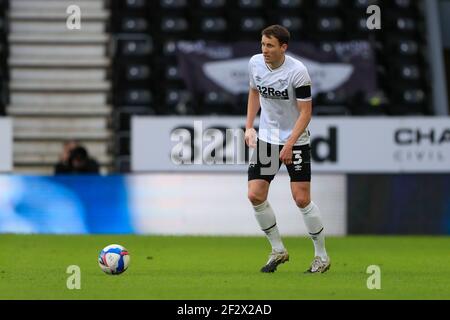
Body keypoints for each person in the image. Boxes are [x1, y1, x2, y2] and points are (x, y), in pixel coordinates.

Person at [245, 25, 331, 273]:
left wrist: (290, 143)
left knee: (302, 199)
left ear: (284, 47)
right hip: (268, 138)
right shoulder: (255, 63)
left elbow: (306, 113)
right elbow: (253, 91)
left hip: (297, 139)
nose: (264, 50)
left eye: (270, 45)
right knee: (255, 194)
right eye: (262, 44)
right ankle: (277, 250)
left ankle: (321, 256)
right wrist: (249, 126)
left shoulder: (298, 72)